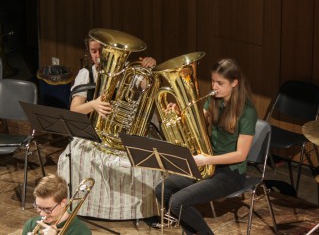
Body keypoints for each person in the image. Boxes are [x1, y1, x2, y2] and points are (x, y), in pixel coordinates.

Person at [57, 36, 161, 221]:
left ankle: (146, 210)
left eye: (101, 51)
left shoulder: (129, 71)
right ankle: (82, 208)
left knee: (144, 161)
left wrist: (149, 70)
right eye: (93, 51)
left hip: (127, 132)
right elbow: (75, 110)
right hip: (96, 133)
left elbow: (150, 90)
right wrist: (94, 105)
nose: (98, 56)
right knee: (75, 156)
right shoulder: (86, 74)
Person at [154, 58, 258, 235]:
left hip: (231, 173)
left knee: (177, 202)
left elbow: (241, 155)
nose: (214, 86)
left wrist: (207, 160)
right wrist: (178, 114)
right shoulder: (214, 100)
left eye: (220, 83)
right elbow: (197, 122)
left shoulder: (247, 111)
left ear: (234, 83)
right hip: (209, 163)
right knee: (162, 190)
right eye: (213, 81)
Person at [22, 174, 91, 235]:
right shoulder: (31, 224)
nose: (42, 214)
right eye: (39, 207)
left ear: (63, 203)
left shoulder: (81, 231)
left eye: (47, 209)